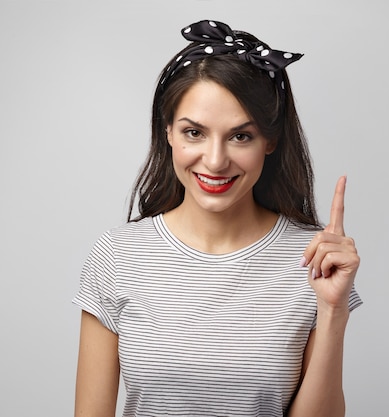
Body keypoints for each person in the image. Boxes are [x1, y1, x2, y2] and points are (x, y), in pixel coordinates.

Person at [73, 19, 363, 417]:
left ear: (270, 140)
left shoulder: (314, 260)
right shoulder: (117, 255)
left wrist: (333, 312)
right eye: (194, 133)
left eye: (240, 136)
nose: (214, 160)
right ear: (168, 131)